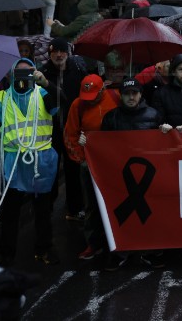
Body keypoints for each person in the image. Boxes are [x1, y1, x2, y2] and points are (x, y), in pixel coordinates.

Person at [0, 59, 61, 266]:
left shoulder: (42, 94)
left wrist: (46, 84)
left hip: (40, 161)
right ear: (11, 75)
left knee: (43, 208)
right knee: (10, 211)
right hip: (13, 162)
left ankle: (44, 248)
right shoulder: (1, 98)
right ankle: (7, 253)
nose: (24, 78)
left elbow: (64, 104)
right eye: (19, 73)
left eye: (29, 73)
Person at [100, 79, 162, 270]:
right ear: (121, 95)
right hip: (121, 176)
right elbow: (102, 146)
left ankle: (151, 250)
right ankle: (121, 252)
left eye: (135, 93)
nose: (131, 97)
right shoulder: (111, 118)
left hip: (147, 176)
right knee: (123, 218)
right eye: (127, 93)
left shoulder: (154, 115)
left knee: (149, 216)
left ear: (141, 95)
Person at [64, 74, 120, 262]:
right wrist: (81, 158)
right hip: (90, 162)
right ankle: (94, 243)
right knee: (91, 204)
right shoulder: (77, 105)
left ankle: (119, 240)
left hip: (113, 160)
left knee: (116, 200)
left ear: (103, 90)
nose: (90, 101)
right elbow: (70, 134)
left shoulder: (116, 97)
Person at [40, 37, 87, 222]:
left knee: (72, 168)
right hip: (49, 129)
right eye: (54, 52)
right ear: (50, 54)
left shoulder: (77, 70)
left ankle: (75, 208)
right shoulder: (43, 73)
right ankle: (47, 206)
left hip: (71, 127)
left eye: (62, 51)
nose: (58, 55)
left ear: (67, 53)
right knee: (49, 169)